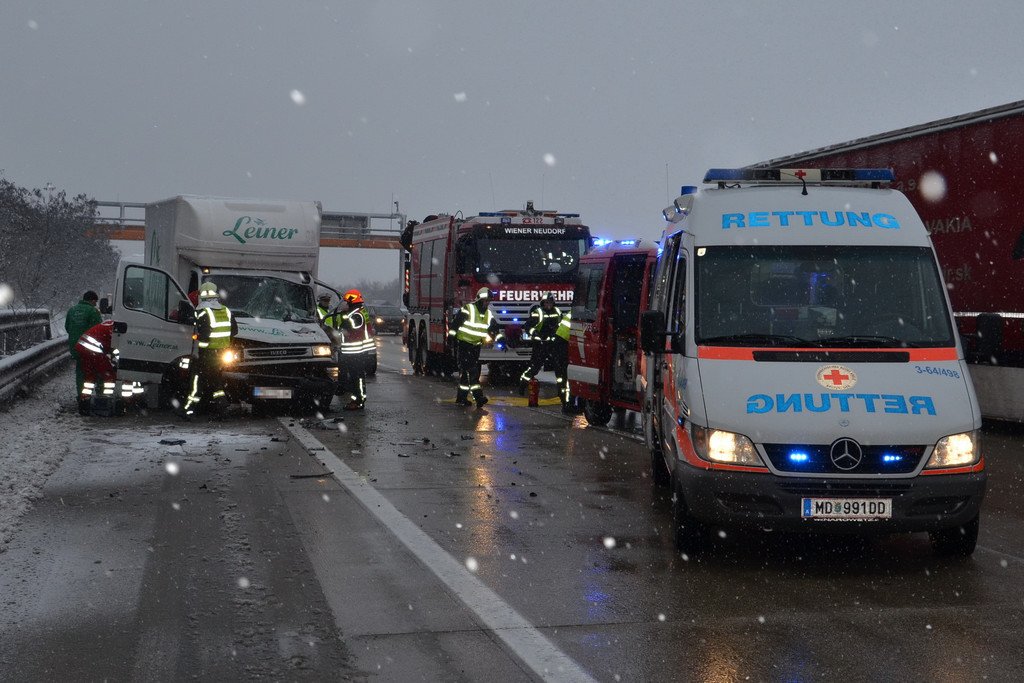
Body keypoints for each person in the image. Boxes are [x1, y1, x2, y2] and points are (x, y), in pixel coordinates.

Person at [182, 282, 237, 417]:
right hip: (222, 354)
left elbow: (205, 337)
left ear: (201, 296)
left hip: (207, 354)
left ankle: (189, 409)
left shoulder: (202, 312)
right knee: (215, 381)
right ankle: (221, 408)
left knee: (197, 380)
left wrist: (196, 338)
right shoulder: (225, 310)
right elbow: (234, 331)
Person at [448, 287, 503, 408]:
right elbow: (456, 324)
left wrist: (501, 339)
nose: (487, 303)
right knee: (473, 372)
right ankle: (478, 398)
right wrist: (451, 337)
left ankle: (461, 398)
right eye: (486, 300)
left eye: (489, 301)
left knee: (466, 374)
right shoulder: (468, 309)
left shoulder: (488, 314)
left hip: (475, 347)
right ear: (479, 300)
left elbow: (494, 328)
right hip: (464, 345)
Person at [75, 320, 144, 415]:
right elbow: (116, 351)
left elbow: (112, 350)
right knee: (109, 376)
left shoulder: (114, 324)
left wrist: (115, 360)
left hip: (81, 346)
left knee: (89, 376)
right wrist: (118, 364)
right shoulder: (121, 331)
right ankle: (107, 400)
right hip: (93, 349)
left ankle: (84, 400)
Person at [330, 289, 374, 410]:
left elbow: (351, 328)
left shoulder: (356, 314)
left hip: (356, 351)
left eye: (347, 302)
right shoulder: (358, 312)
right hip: (355, 351)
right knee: (356, 376)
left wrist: (343, 321)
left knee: (357, 377)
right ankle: (357, 399)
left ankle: (358, 401)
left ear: (351, 302)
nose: (345, 304)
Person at [64, 290, 102, 413]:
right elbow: (98, 330)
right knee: (96, 371)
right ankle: (99, 396)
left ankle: (81, 397)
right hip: (89, 348)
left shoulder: (72, 310)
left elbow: (67, 327)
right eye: (95, 302)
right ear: (92, 300)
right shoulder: (93, 311)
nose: (96, 304)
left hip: (75, 347)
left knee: (80, 372)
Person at [518, 292, 563, 392]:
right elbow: (527, 326)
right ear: (543, 303)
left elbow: (561, 325)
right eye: (546, 302)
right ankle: (523, 384)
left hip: (553, 345)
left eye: (550, 302)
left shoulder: (558, 312)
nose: (548, 304)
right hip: (540, 345)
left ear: (553, 302)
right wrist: (534, 333)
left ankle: (561, 389)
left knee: (559, 368)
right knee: (535, 367)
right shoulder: (538, 312)